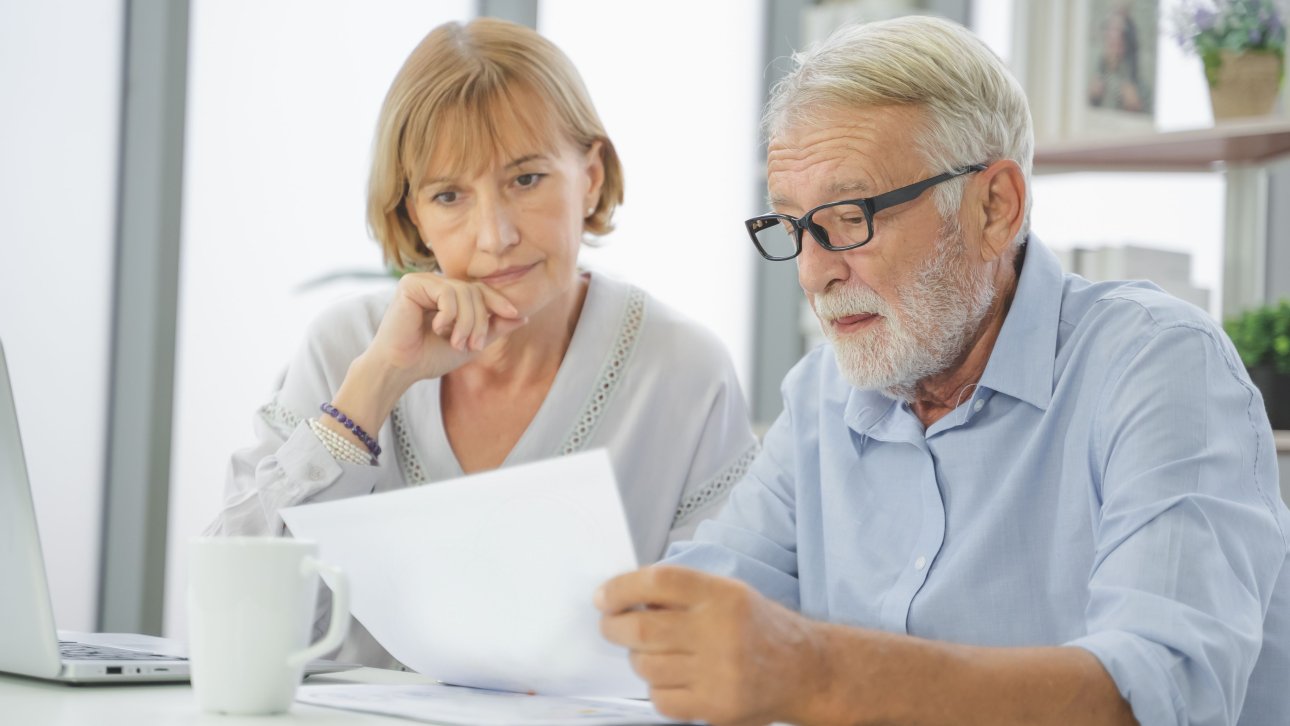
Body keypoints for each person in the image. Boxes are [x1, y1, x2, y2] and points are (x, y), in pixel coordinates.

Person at [597, 15, 1289, 726]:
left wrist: (821, 674)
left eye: (849, 216)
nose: (813, 272)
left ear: (995, 207)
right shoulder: (819, 397)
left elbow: (1157, 697)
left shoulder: (1159, 366)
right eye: (794, 227)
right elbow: (702, 612)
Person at [205, 18, 758, 668]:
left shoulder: (683, 371)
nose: (494, 235)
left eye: (526, 180)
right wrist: (373, 388)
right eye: (449, 196)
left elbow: (725, 647)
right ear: (414, 215)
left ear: (592, 178)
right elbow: (235, 629)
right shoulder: (347, 346)